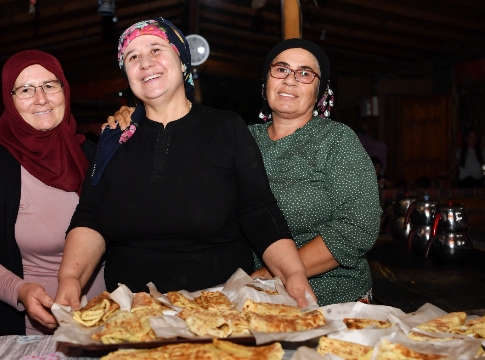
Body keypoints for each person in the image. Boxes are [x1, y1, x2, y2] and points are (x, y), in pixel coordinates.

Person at [54, 18, 314, 310]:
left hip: (220, 308)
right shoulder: (114, 138)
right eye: (133, 56)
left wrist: (293, 274)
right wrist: (70, 278)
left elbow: (259, 212)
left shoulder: (227, 127)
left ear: (181, 62)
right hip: (131, 312)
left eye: (156, 49)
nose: (145, 62)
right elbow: (91, 218)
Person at [108, 38, 381, 306]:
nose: (290, 80)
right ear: (266, 82)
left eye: (305, 73)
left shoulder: (336, 139)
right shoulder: (237, 136)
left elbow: (357, 227)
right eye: (281, 69)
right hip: (249, 298)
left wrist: (270, 274)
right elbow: (179, 153)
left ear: (321, 90)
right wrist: (143, 116)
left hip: (332, 299)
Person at [0, 50, 105, 336]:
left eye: (50, 85)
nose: (41, 99)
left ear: (65, 89)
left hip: (105, 322)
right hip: (33, 330)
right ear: (9, 100)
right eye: (25, 89)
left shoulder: (97, 156)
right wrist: (20, 290)